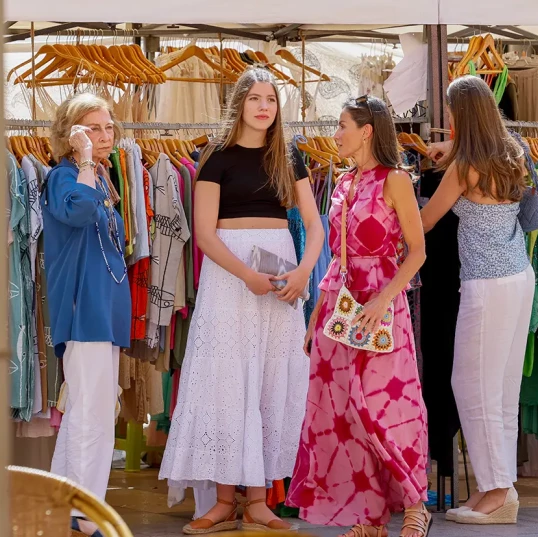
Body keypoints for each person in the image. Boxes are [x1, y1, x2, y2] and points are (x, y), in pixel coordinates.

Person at [158, 67, 324, 535]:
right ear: (240, 104)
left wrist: (304, 272)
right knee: (226, 380)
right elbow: (206, 234)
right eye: (255, 98)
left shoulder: (289, 156)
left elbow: (315, 227)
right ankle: (223, 502)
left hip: (281, 276)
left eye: (271, 98)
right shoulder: (216, 156)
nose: (264, 106)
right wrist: (247, 275)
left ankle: (258, 502)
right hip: (231, 277)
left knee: (271, 379)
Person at [287, 95, 431, 537]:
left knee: (389, 406)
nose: (335, 134)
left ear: (366, 130)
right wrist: (315, 317)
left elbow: (417, 251)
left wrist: (385, 299)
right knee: (343, 410)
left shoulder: (396, 180)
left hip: (382, 305)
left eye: (342, 125)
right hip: (339, 306)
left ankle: (414, 505)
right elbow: (336, 256)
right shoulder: (344, 182)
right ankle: (369, 516)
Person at [421, 75, 535, 525]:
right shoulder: (512, 153)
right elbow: (478, 153)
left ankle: (494, 492)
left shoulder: (463, 167)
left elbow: (427, 221)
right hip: (518, 276)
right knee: (504, 392)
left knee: (471, 388)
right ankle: (501, 489)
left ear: (460, 116)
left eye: (450, 114)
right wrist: (450, 151)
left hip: (486, 285)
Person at [43, 93, 131, 537]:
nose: (103, 135)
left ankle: (66, 506)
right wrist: (82, 160)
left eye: (108, 127)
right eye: (91, 127)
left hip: (102, 311)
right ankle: (83, 512)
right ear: (71, 132)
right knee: (91, 415)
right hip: (83, 311)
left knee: (87, 410)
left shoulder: (102, 177)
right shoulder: (64, 177)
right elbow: (77, 213)